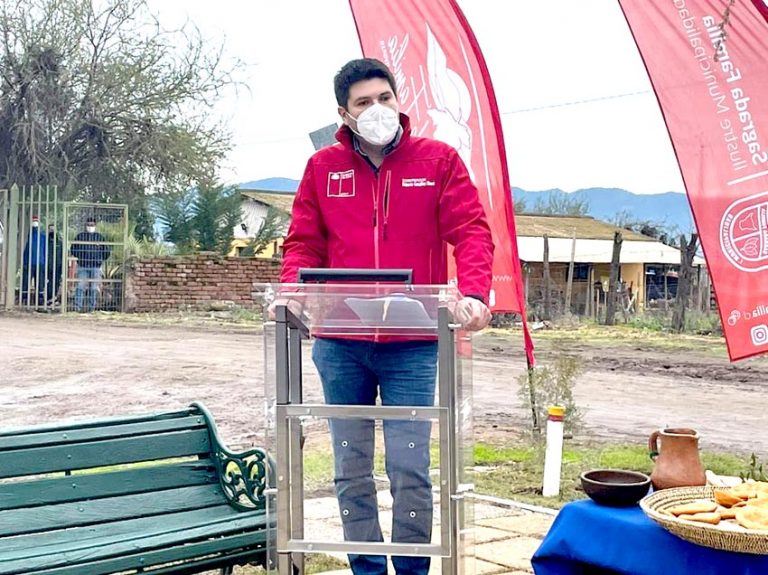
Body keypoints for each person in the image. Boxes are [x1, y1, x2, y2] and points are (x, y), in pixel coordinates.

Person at [278, 58, 494, 575]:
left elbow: (471, 230)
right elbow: (304, 242)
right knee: (351, 468)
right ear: (343, 114)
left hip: (414, 342)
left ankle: (414, 569)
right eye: (363, 103)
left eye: (385, 98)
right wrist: (291, 292)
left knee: (410, 466)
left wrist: (477, 295)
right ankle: (367, 568)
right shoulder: (323, 169)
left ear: (398, 101)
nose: (377, 109)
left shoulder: (437, 161)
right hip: (340, 340)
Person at [70, 217, 110, 312]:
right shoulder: (80, 236)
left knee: (93, 288)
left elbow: (106, 251)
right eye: (88, 225)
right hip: (83, 266)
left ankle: (92, 308)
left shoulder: (99, 237)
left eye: (92, 225)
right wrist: (81, 257)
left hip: (95, 267)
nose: (90, 226)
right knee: (80, 286)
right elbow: (73, 249)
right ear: (85, 225)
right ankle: (77, 307)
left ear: (95, 226)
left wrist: (100, 260)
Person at [21, 215, 47, 305]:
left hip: (40, 263)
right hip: (28, 262)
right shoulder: (26, 235)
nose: (35, 222)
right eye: (33, 220)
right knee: (26, 282)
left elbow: (45, 250)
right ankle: (24, 299)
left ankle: (39, 300)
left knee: (40, 282)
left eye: (36, 220)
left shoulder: (43, 236)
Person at [46, 223, 63, 304]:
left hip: (57, 266)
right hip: (47, 266)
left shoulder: (60, 242)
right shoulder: (44, 241)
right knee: (47, 283)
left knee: (56, 282)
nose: (52, 230)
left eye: (53, 229)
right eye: (50, 229)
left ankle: (54, 298)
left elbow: (63, 255)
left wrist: (62, 267)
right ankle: (48, 299)